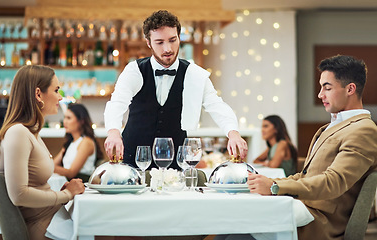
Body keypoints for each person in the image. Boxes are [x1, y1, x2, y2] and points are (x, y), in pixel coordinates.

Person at [247, 55, 377, 240]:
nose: (320, 94)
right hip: (303, 210)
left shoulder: (364, 130)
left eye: (327, 87)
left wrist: (275, 187)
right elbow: (306, 175)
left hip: (319, 224)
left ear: (350, 89)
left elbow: (333, 182)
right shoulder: (329, 127)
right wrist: (266, 181)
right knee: (236, 228)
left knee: (240, 231)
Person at [104, 10, 247, 169]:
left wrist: (233, 133)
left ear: (179, 37)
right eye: (159, 42)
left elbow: (216, 105)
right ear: (148, 42)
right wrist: (113, 132)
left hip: (176, 163)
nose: (168, 49)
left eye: (172, 40)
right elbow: (116, 103)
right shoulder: (134, 71)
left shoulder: (194, 74)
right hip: (134, 160)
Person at [0, 65, 85, 240]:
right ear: (38, 94)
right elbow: (19, 195)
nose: (60, 96)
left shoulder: (30, 132)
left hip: (52, 220)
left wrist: (63, 196)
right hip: (44, 227)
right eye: (56, 90)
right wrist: (65, 194)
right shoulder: (18, 133)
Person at [53, 103, 104, 182]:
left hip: (82, 185)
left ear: (81, 121)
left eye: (69, 118)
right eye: (64, 118)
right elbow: (53, 164)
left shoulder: (86, 142)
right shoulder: (70, 143)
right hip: (70, 183)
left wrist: (48, 167)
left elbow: (71, 173)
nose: (65, 122)